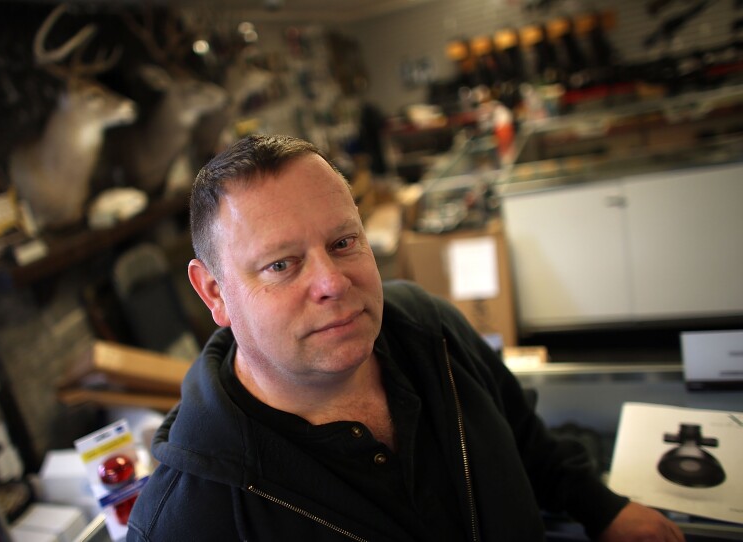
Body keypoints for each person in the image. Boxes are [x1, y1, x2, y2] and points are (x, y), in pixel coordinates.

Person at [127, 134, 684, 541]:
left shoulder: (428, 326)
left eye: (344, 242)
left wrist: (603, 508)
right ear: (215, 294)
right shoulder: (184, 521)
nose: (332, 282)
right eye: (281, 265)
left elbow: (525, 438)